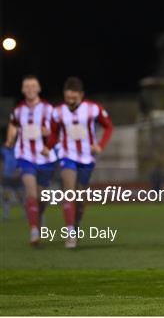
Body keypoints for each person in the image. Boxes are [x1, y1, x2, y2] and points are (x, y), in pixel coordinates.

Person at [42, 77, 113, 248]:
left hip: (87, 158)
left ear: (81, 95)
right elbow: (54, 133)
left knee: (80, 199)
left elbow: (109, 127)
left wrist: (100, 145)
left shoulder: (93, 109)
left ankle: (76, 222)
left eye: (74, 98)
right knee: (69, 192)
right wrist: (48, 147)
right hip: (67, 155)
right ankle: (70, 232)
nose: (71, 102)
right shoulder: (57, 112)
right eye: (68, 98)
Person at [5, 75, 57, 245]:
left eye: (33, 86)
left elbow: (57, 130)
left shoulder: (49, 109)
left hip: (45, 159)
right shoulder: (18, 110)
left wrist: (48, 133)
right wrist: (10, 139)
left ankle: (38, 216)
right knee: (31, 193)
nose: (30, 89)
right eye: (26, 86)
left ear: (39, 88)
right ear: (22, 89)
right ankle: (34, 232)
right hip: (25, 156)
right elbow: (13, 125)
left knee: (42, 197)